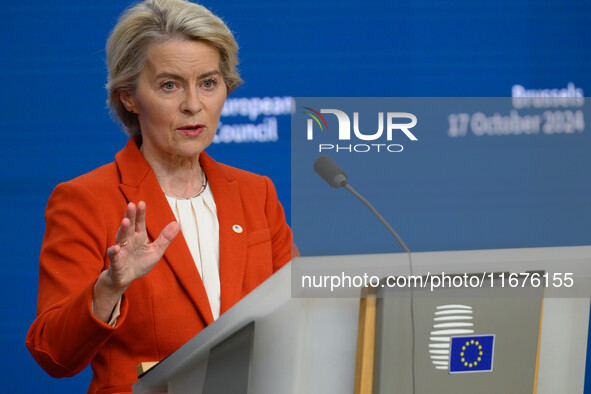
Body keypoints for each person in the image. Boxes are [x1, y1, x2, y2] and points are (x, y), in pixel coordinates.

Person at [25, 0, 296, 392]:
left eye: (208, 82)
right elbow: (53, 354)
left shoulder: (258, 194)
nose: (193, 104)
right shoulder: (84, 200)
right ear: (129, 97)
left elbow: (298, 312)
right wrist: (109, 288)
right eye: (170, 85)